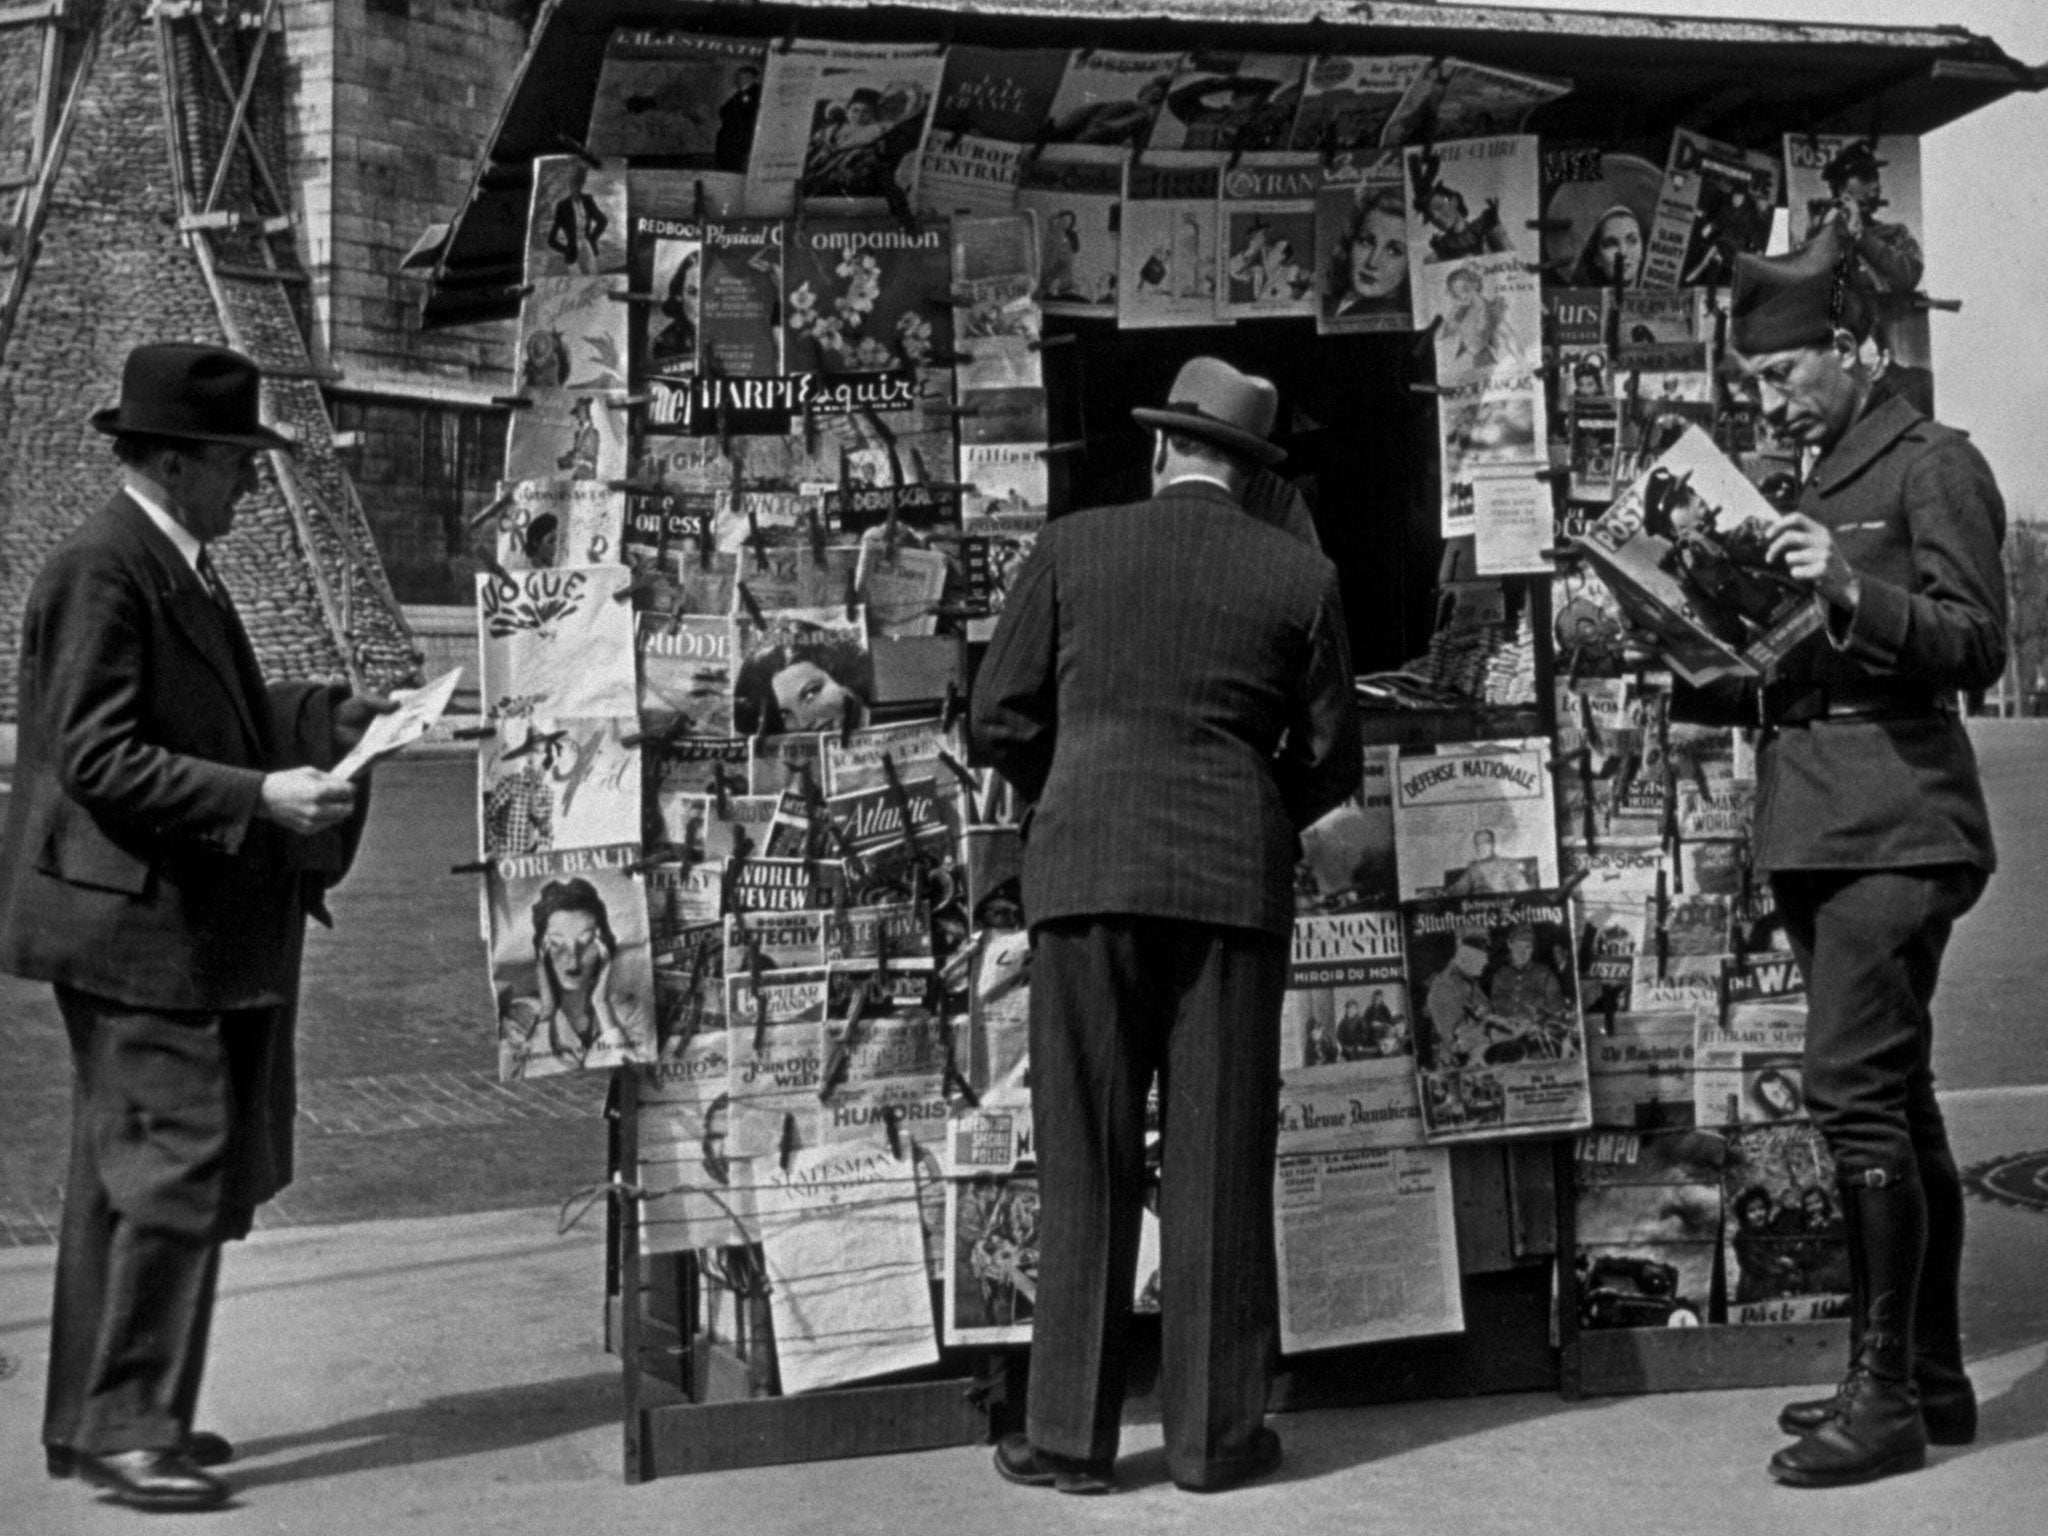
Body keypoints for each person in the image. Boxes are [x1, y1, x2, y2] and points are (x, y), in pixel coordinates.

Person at [0, 343, 392, 1512]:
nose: (251, 486)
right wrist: (260, 797)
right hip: (135, 929)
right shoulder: (104, 569)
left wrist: (328, 717)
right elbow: (101, 756)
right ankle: (131, 1427)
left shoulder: (174, 564)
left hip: (150, 921)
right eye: (235, 463)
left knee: (121, 1179)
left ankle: (98, 1419)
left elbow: (206, 711)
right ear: (170, 460)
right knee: (173, 1164)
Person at [971, 356, 1361, 1495]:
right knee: (1215, 1161)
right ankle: (1209, 1441)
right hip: (1231, 895)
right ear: (1248, 472)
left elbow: (1000, 715)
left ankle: (1067, 1442)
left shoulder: (1072, 548)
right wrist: (1248, 806)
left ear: (1159, 450)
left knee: (1083, 1157)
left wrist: (1079, 787)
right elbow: (1330, 754)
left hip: (1085, 882)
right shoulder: (1301, 576)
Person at [1683, 227, 2007, 1488]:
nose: (1767, 401)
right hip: (1822, 821)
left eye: (1783, 377)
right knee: (1898, 1098)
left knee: (1850, 1098)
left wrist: (1850, 595)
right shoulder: (1809, 482)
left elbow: (1974, 641)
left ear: (1856, 351)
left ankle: (1881, 1399)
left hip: (1896, 821)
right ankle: (1928, 1376)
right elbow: (1783, 673)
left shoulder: (1934, 464)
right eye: (1755, 384)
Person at [1325, 188, 1410, 321]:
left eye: (1394, 251)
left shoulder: (1389, 318)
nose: (1372, 262)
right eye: (1365, 242)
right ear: (1350, 242)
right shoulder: (1327, 305)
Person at [1447, 829, 1532, 895]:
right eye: (1478, 843)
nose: (1482, 847)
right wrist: (1444, 892)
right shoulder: (1473, 868)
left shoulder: (1507, 864)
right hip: (1478, 910)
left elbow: (1522, 890)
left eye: (1486, 842)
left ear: (1493, 844)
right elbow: (1459, 889)